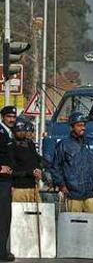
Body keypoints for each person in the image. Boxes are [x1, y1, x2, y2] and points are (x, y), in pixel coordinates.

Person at [50, 111, 93, 257]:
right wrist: (62, 185)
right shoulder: (63, 145)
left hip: (91, 192)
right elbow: (56, 167)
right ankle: (73, 248)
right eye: (79, 125)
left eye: (84, 125)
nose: (83, 128)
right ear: (71, 127)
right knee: (73, 224)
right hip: (73, 193)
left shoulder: (91, 143)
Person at [10, 117, 42, 203]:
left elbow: (36, 160)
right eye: (18, 131)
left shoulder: (30, 144)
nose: (21, 133)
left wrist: (39, 170)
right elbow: (11, 171)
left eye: (23, 130)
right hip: (18, 188)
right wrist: (28, 173)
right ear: (14, 132)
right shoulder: (11, 146)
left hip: (33, 187)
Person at [0, 106, 17, 262]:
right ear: (2, 117)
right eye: (9, 117)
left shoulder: (9, 133)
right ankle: (1, 253)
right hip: (1, 181)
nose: (12, 119)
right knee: (3, 217)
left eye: (13, 116)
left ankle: (2, 250)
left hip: (7, 181)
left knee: (5, 218)